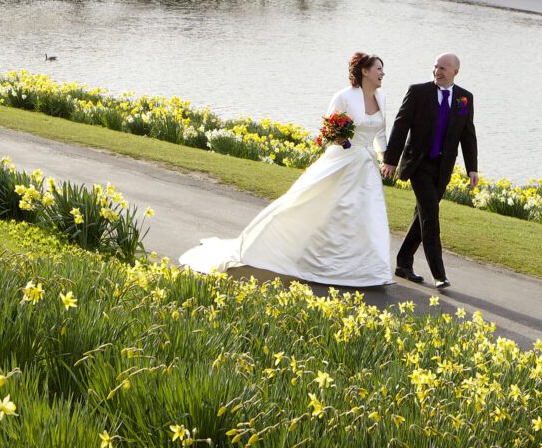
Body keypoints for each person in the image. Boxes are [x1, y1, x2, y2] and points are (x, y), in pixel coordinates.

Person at [178, 53, 393, 287]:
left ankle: (368, 269)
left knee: (368, 214)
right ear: (364, 71)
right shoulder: (344, 97)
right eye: (378, 69)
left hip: (366, 166)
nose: (382, 73)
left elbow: (380, 134)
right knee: (323, 206)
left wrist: (384, 158)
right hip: (344, 161)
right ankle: (306, 254)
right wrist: (344, 141)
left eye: (382, 69)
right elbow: (328, 131)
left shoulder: (381, 98)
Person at [382, 52, 479, 290]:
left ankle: (403, 262)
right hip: (419, 165)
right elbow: (401, 124)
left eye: (443, 68)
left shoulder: (464, 98)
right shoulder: (418, 92)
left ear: (455, 71)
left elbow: (468, 135)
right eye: (436, 66)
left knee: (422, 215)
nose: (437, 71)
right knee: (430, 215)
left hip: (443, 168)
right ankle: (439, 273)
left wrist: (472, 168)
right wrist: (390, 160)